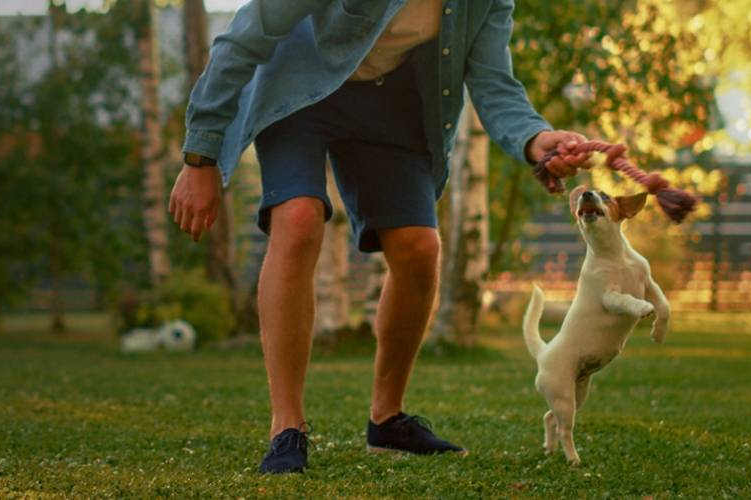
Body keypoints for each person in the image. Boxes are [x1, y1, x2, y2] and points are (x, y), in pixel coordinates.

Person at [168, 0, 591, 474]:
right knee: (300, 218)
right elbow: (246, 33)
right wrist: (200, 156)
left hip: (392, 101)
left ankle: (386, 421)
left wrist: (537, 139)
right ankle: (287, 426)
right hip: (299, 90)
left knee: (419, 248)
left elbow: (494, 82)